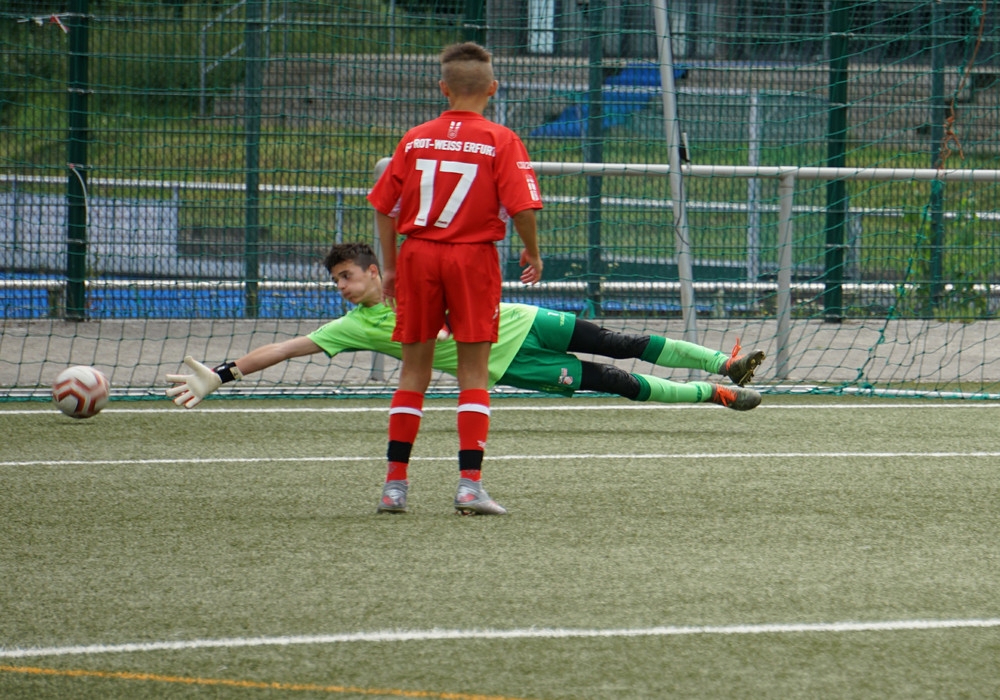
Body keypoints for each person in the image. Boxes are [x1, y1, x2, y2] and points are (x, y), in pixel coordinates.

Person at [166, 243, 766, 515]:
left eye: (347, 276)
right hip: (507, 363)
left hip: (522, 318)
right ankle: (716, 393)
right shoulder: (352, 326)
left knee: (623, 341)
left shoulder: (412, 278)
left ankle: (724, 362)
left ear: (374, 271)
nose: (342, 287)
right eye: (336, 281)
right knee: (617, 381)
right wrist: (223, 372)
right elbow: (285, 348)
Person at [367, 42, 544, 516]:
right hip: (472, 258)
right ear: (493, 88)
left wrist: (390, 267)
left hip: (418, 255)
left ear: (443, 88)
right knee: (473, 373)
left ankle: (394, 487)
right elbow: (523, 208)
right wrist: (532, 250)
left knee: (413, 372)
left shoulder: (415, 138)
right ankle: (469, 487)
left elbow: (384, 205)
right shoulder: (501, 139)